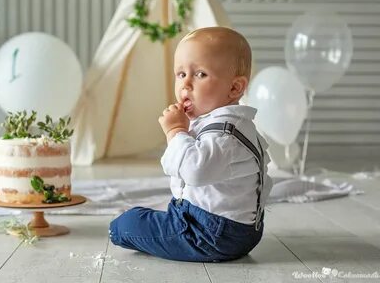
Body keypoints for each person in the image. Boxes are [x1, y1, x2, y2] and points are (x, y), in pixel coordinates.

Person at [109, 27, 273, 262]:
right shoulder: (235, 124)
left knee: (125, 224)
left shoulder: (224, 135)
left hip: (210, 234)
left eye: (200, 74)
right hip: (239, 231)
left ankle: (127, 231)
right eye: (180, 74)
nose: (185, 85)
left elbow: (194, 170)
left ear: (234, 88)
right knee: (143, 216)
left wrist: (175, 131)